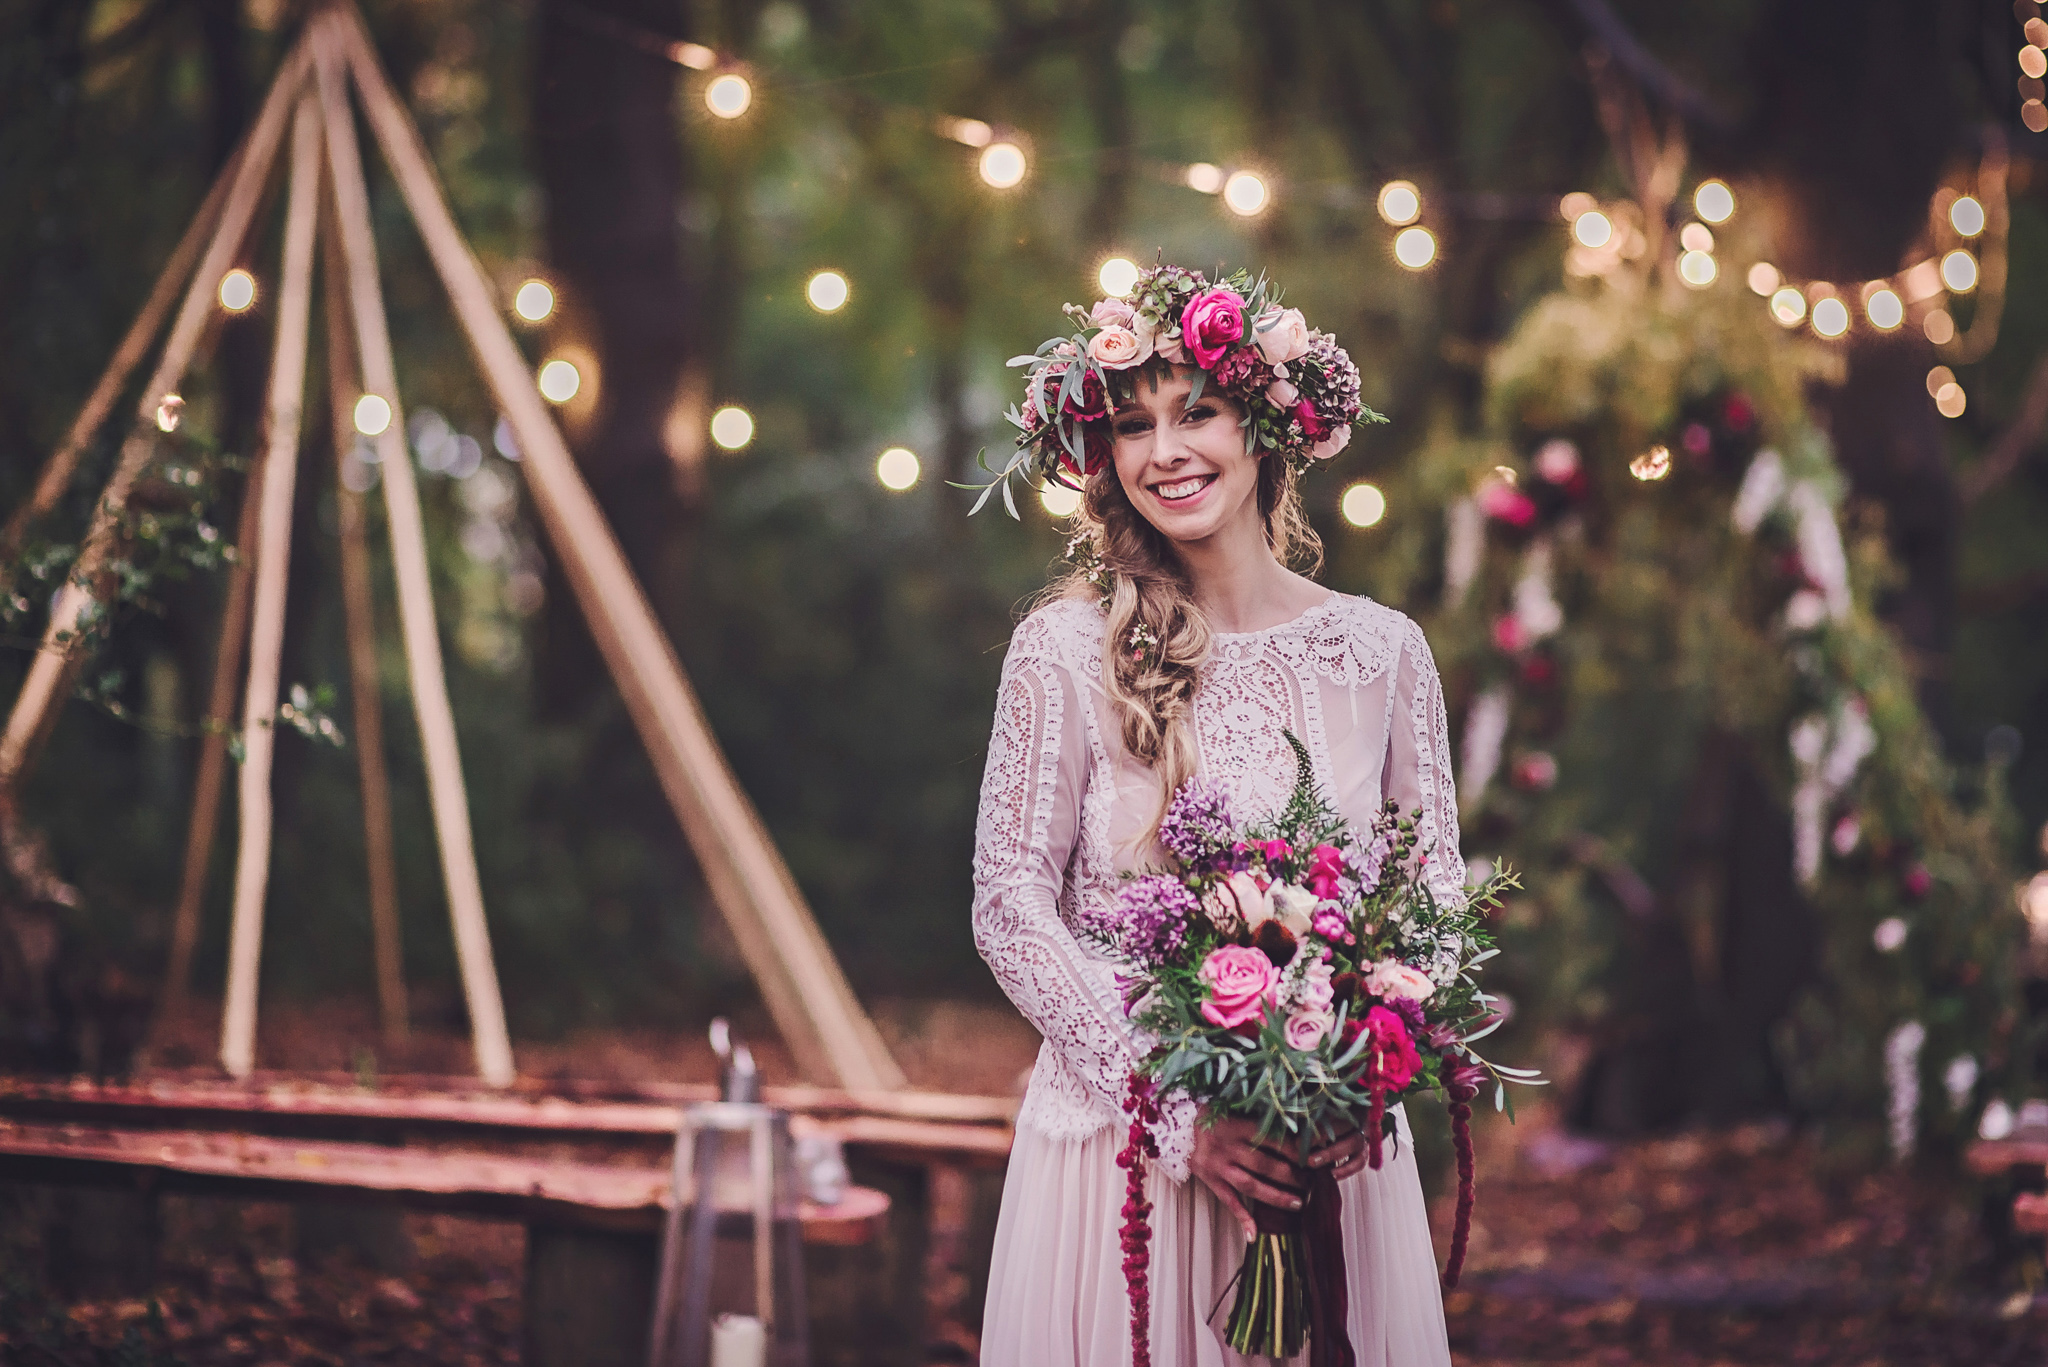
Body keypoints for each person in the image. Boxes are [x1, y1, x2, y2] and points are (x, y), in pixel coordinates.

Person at [971, 265, 1459, 1365]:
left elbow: (1428, 901)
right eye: (1133, 424)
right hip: (1117, 1157)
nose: (1164, 450)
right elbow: (1008, 906)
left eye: (1194, 409)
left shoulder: (1383, 652)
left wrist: (1354, 1071)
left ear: (1264, 427)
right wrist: (1172, 1108)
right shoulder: (1061, 651)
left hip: (1319, 1149)